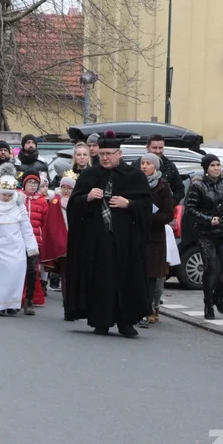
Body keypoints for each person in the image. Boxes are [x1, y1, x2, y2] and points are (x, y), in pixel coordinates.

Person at [65, 135, 152, 338]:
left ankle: (126, 323)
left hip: (126, 241)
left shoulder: (134, 176)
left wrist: (128, 204)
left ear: (119, 154)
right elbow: (73, 206)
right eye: (102, 154)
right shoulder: (90, 176)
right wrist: (86, 197)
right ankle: (100, 321)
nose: (104, 158)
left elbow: (147, 206)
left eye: (109, 154)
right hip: (97, 240)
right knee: (100, 280)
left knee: (126, 279)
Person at [185, 154, 223, 319]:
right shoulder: (198, 186)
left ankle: (218, 295)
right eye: (212, 165)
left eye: (218, 165)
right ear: (206, 169)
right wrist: (208, 219)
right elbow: (191, 209)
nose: (216, 168)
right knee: (210, 267)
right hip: (206, 233)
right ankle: (208, 303)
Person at [0, 176, 39, 317]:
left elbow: (26, 228)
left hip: (16, 246)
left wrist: (31, 247)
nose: (6, 197)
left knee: (16, 276)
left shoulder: (18, 206)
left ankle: (13, 304)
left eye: (9, 195)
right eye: (3, 194)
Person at [137, 153, 175, 327]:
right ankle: (135, 310)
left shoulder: (163, 187)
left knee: (151, 276)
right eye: (142, 163)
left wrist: (150, 218)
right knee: (137, 275)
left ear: (155, 167)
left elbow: (168, 214)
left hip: (155, 237)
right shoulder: (135, 183)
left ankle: (147, 311)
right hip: (137, 235)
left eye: (148, 163)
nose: (144, 166)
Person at [41, 171, 75, 316]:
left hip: (75, 242)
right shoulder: (56, 202)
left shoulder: (77, 201)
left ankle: (73, 302)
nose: (66, 190)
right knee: (66, 276)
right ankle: (67, 304)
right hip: (63, 244)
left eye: (69, 188)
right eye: (64, 187)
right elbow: (52, 225)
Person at [21, 172, 49, 314]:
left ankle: (29, 300)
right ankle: (16, 298)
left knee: (32, 271)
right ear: (24, 184)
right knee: (17, 270)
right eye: (29, 182)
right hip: (18, 240)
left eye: (35, 183)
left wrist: (43, 241)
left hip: (35, 241)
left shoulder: (42, 201)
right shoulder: (18, 198)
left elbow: (45, 223)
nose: (32, 185)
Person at [130, 134, 185, 202]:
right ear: (147, 147)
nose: (158, 151)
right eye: (154, 148)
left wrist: (169, 204)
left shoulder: (170, 166)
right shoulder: (136, 165)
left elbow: (179, 191)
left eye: (160, 148)